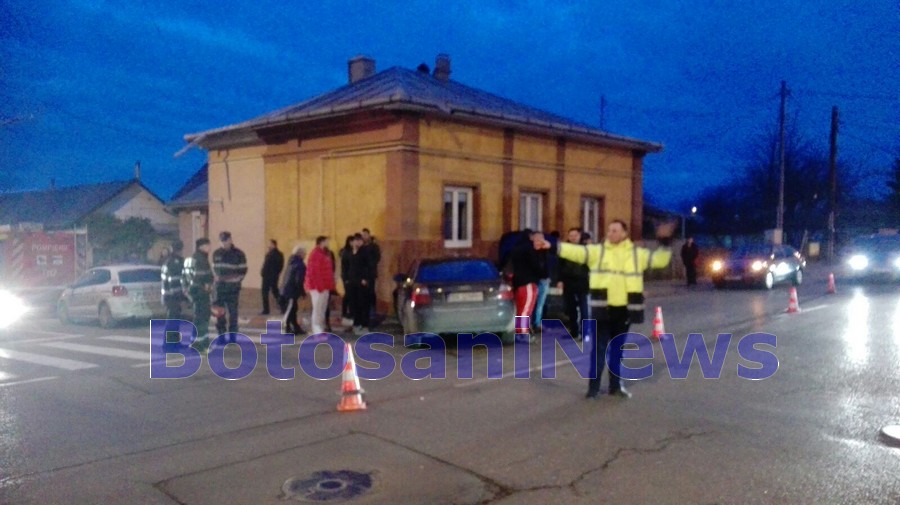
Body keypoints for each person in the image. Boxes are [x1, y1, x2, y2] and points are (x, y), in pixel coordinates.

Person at [540, 219, 674, 399]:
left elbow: (660, 261)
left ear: (624, 233)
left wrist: (664, 242)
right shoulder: (598, 251)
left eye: (615, 230)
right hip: (602, 308)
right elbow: (576, 251)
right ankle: (593, 389)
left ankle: (615, 386)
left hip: (625, 309)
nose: (611, 233)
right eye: (609, 230)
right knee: (599, 350)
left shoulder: (636, 254)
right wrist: (552, 246)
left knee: (617, 350)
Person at [509, 230, 544, 342]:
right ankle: (523, 332)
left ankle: (519, 331)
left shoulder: (515, 248)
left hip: (518, 282)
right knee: (526, 309)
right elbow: (536, 266)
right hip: (528, 282)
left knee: (520, 309)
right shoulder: (530, 249)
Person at [212, 231, 248, 342]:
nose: (224, 243)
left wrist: (234, 280)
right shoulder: (216, 253)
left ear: (230, 240)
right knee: (220, 313)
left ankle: (233, 336)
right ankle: (221, 336)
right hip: (220, 289)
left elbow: (243, 270)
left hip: (233, 288)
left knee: (233, 313)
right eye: (222, 241)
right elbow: (214, 269)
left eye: (226, 240)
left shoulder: (239, 254)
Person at [557, 228, 591, 340]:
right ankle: (574, 331)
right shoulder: (564, 248)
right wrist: (560, 280)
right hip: (568, 281)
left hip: (582, 280)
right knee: (570, 307)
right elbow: (560, 265)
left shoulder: (586, 249)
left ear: (579, 236)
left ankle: (585, 332)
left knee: (583, 307)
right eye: (571, 235)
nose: (573, 237)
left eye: (575, 235)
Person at [182, 238, 214, 352]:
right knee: (203, 319)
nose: (209, 248)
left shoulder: (190, 259)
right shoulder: (201, 260)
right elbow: (202, 279)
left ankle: (195, 342)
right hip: (201, 294)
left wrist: (188, 292)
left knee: (198, 319)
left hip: (194, 294)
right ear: (201, 246)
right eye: (208, 245)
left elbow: (184, 279)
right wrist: (206, 288)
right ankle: (201, 346)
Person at [304, 236, 335, 335]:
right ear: (321, 242)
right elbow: (315, 272)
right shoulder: (315, 254)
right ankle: (316, 328)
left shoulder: (324, 253)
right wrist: (320, 286)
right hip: (317, 287)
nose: (328, 243)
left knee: (322, 307)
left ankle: (321, 326)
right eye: (326, 241)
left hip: (325, 286)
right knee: (317, 308)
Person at [346, 233, 375, 335]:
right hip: (353, 282)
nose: (357, 242)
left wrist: (365, 278)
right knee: (355, 303)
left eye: (359, 241)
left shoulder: (366, 252)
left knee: (364, 303)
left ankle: (364, 325)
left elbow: (370, 266)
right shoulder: (351, 253)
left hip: (362, 282)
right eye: (355, 241)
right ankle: (357, 323)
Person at [280, 245, 307, 335]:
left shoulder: (290, 262)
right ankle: (286, 327)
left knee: (293, 309)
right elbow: (298, 280)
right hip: (291, 291)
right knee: (290, 309)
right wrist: (302, 292)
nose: (305, 255)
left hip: (285, 289)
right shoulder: (300, 265)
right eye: (304, 253)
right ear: (300, 254)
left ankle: (295, 327)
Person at [161, 240, 187, 320]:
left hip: (167, 295)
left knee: (173, 316)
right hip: (174, 295)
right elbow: (177, 280)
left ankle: (172, 332)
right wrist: (183, 296)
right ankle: (172, 332)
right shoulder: (178, 262)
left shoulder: (167, 261)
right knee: (174, 317)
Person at [360, 228, 381, 320]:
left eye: (366, 234)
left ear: (369, 235)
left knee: (371, 292)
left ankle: (372, 311)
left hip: (371, 274)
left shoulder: (374, 247)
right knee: (362, 293)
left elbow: (377, 258)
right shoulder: (361, 247)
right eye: (363, 235)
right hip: (361, 274)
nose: (364, 236)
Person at [260, 239, 285, 315]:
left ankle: (282, 306)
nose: (269, 246)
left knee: (274, 292)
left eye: (270, 244)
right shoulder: (269, 253)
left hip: (271, 276)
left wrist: (275, 274)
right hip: (267, 276)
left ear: (274, 245)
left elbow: (280, 266)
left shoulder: (278, 254)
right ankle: (266, 309)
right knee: (268, 292)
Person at [339, 235, 355, 324]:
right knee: (348, 295)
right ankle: (346, 312)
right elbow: (345, 267)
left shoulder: (351, 251)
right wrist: (346, 278)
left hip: (351, 277)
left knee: (350, 295)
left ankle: (349, 312)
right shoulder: (346, 252)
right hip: (347, 277)